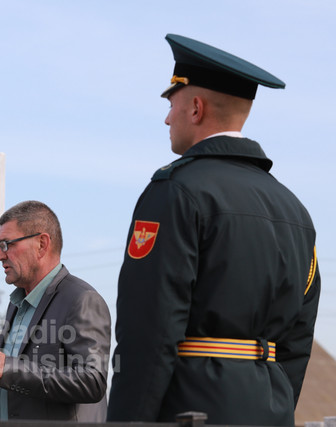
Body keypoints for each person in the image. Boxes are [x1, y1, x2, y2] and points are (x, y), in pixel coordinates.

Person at [107, 34, 320, 426]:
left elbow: (149, 331)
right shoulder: (297, 212)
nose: (166, 117)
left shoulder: (174, 192)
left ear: (196, 108)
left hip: (191, 409)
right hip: (270, 412)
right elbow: (297, 341)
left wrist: (126, 420)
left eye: (171, 104)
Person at [0, 200, 111, 421]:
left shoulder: (82, 299)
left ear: (42, 244)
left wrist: (9, 369)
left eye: (6, 244)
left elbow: (92, 381)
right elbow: (9, 381)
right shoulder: (16, 304)